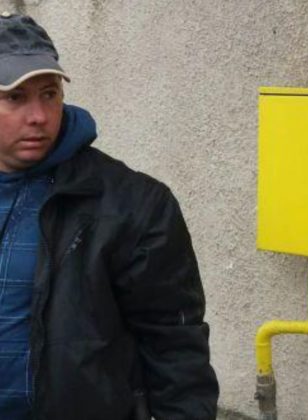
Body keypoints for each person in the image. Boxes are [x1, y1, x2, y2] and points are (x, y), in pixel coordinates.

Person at [0, 12, 218, 420]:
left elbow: (175, 346)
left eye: (49, 94)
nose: (39, 116)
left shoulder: (132, 205)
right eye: (15, 97)